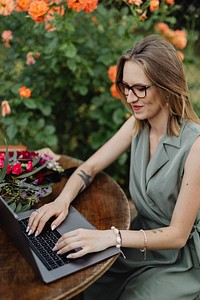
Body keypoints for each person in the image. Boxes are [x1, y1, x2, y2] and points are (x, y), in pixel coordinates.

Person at [27, 35, 200, 299]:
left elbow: (177, 235)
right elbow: (91, 167)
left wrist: (112, 237)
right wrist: (61, 201)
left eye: (140, 88)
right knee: (83, 273)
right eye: (126, 87)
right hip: (139, 239)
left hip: (183, 257)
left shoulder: (195, 145)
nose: (131, 98)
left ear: (167, 85)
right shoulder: (136, 125)